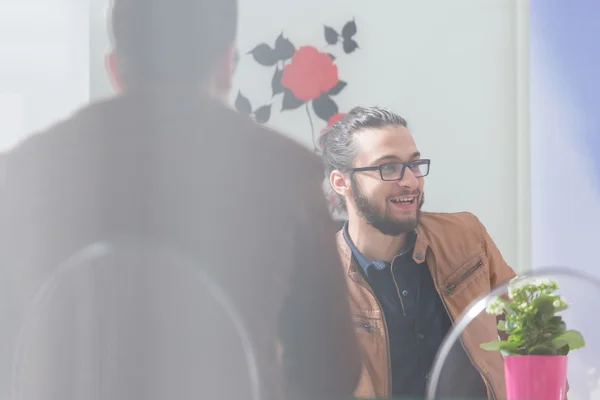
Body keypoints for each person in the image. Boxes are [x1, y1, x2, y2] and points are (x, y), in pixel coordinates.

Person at [0, 0, 360, 399]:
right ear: (226, 64)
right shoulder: (286, 171)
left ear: (115, 67)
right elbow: (332, 372)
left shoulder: (20, 172)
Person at [319, 106, 517, 399]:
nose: (410, 181)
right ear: (342, 182)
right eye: (388, 167)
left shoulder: (466, 235)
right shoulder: (321, 281)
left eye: (413, 164)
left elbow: (528, 327)